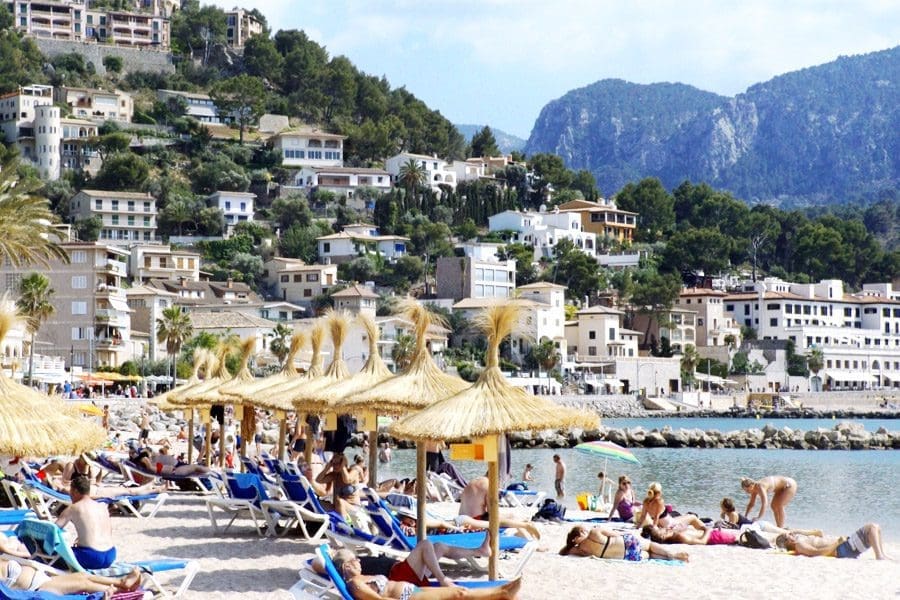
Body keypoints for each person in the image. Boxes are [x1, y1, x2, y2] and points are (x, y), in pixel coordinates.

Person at [330, 542, 522, 600]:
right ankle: (502, 594)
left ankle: (502, 593)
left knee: (460, 592)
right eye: (353, 560)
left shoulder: (364, 577)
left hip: (411, 590)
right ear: (345, 566)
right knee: (457, 595)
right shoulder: (355, 583)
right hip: (407, 597)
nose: (358, 561)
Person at [55, 476, 116, 569]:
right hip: (111, 555)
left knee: (55, 558)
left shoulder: (74, 507)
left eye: (70, 492)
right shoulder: (102, 506)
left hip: (90, 556)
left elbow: (54, 528)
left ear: (75, 491)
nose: (70, 495)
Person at [1, 557, 141, 596]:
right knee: (83, 584)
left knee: (82, 576)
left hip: (39, 579)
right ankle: (122, 592)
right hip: (37, 588)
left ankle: (121, 582)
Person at [458, 476, 541, 540]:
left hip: (461, 519)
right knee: (512, 518)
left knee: (511, 516)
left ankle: (524, 531)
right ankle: (530, 538)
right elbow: (493, 515)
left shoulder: (474, 481)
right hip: (475, 522)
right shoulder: (489, 486)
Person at [560, 525, 689, 562]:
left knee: (649, 555)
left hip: (628, 556)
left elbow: (564, 551)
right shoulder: (594, 531)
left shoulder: (581, 551)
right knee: (649, 545)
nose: (586, 531)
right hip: (627, 543)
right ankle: (671, 555)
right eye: (583, 531)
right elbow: (616, 534)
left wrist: (571, 544)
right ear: (578, 536)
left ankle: (668, 557)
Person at [776, 523, 890, 560]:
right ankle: (879, 556)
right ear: (787, 542)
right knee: (872, 527)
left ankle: (882, 554)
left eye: (791, 533)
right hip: (842, 549)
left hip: (845, 546)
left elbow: (819, 533)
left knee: (876, 528)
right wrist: (837, 543)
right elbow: (817, 553)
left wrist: (796, 531)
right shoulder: (799, 545)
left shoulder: (801, 540)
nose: (792, 534)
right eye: (789, 535)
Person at [634, 482, 704, 531]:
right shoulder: (659, 501)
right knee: (692, 517)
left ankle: (704, 529)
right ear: (659, 492)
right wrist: (654, 528)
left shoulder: (646, 501)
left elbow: (643, 516)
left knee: (686, 516)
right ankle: (706, 530)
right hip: (670, 526)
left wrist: (637, 527)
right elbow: (656, 517)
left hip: (665, 524)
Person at [644, 524, 738, 546]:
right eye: (661, 530)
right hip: (714, 537)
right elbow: (702, 542)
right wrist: (707, 530)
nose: (662, 528)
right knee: (737, 537)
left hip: (713, 533)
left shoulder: (674, 534)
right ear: (662, 536)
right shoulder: (680, 537)